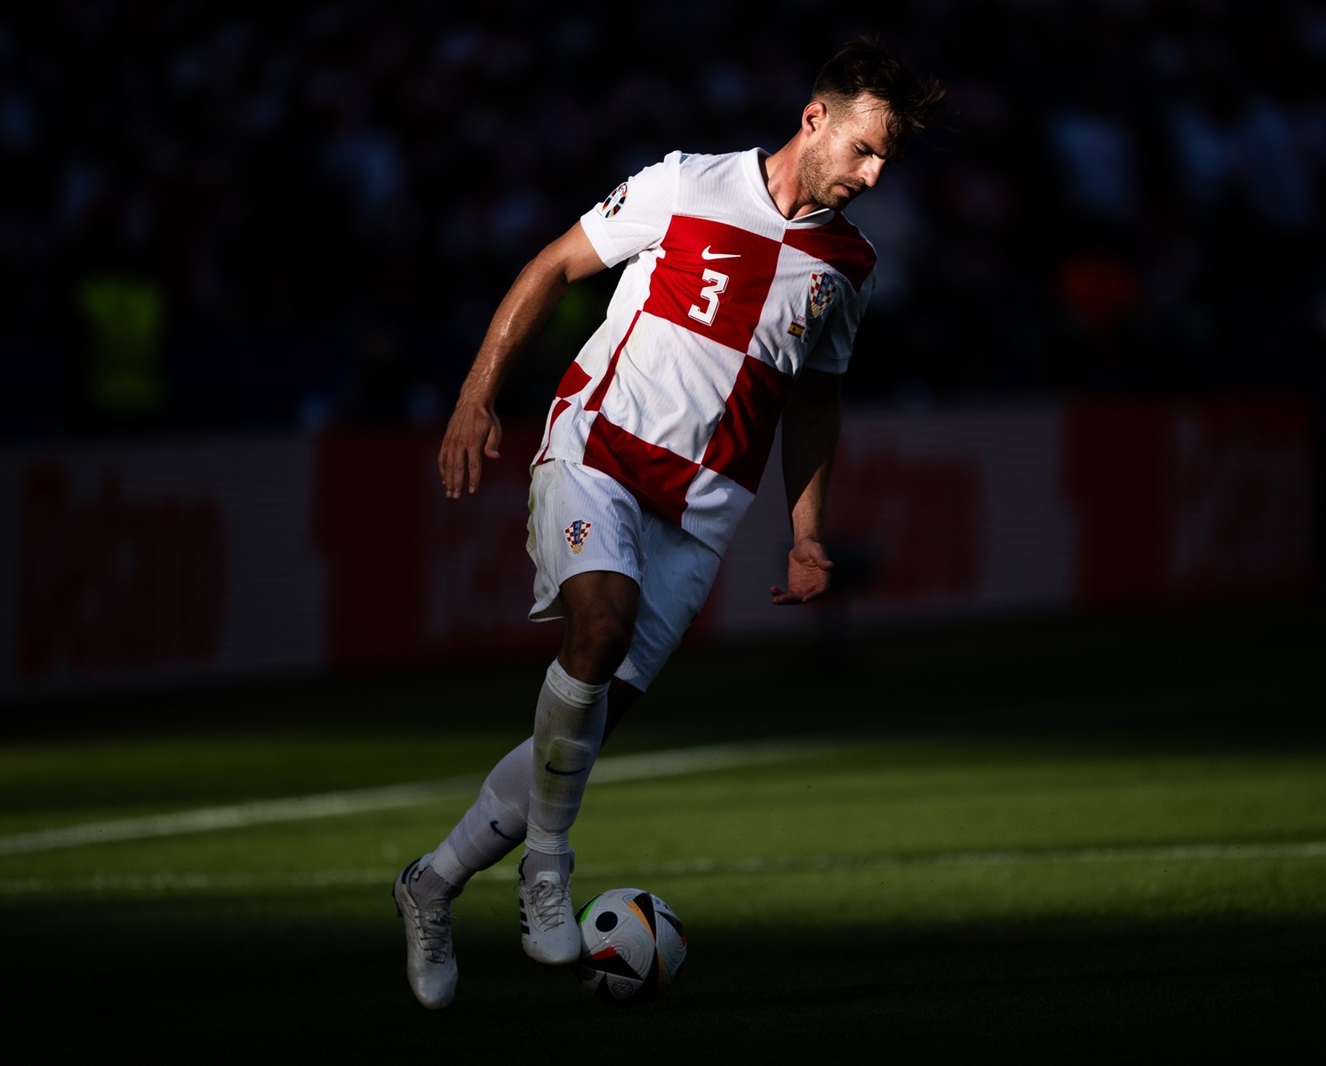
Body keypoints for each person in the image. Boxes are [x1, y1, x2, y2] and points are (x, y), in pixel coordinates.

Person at [393, 37, 946, 1009]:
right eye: (864, 148)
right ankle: (548, 867)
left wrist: (806, 530)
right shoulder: (686, 184)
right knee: (595, 630)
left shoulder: (848, 266)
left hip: (701, 512)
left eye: (887, 160)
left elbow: (815, 404)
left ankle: (430, 882)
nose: (872, 174)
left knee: (585, 728)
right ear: (814, 118)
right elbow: (552, 266)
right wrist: (477, 395)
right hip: (597, 449)